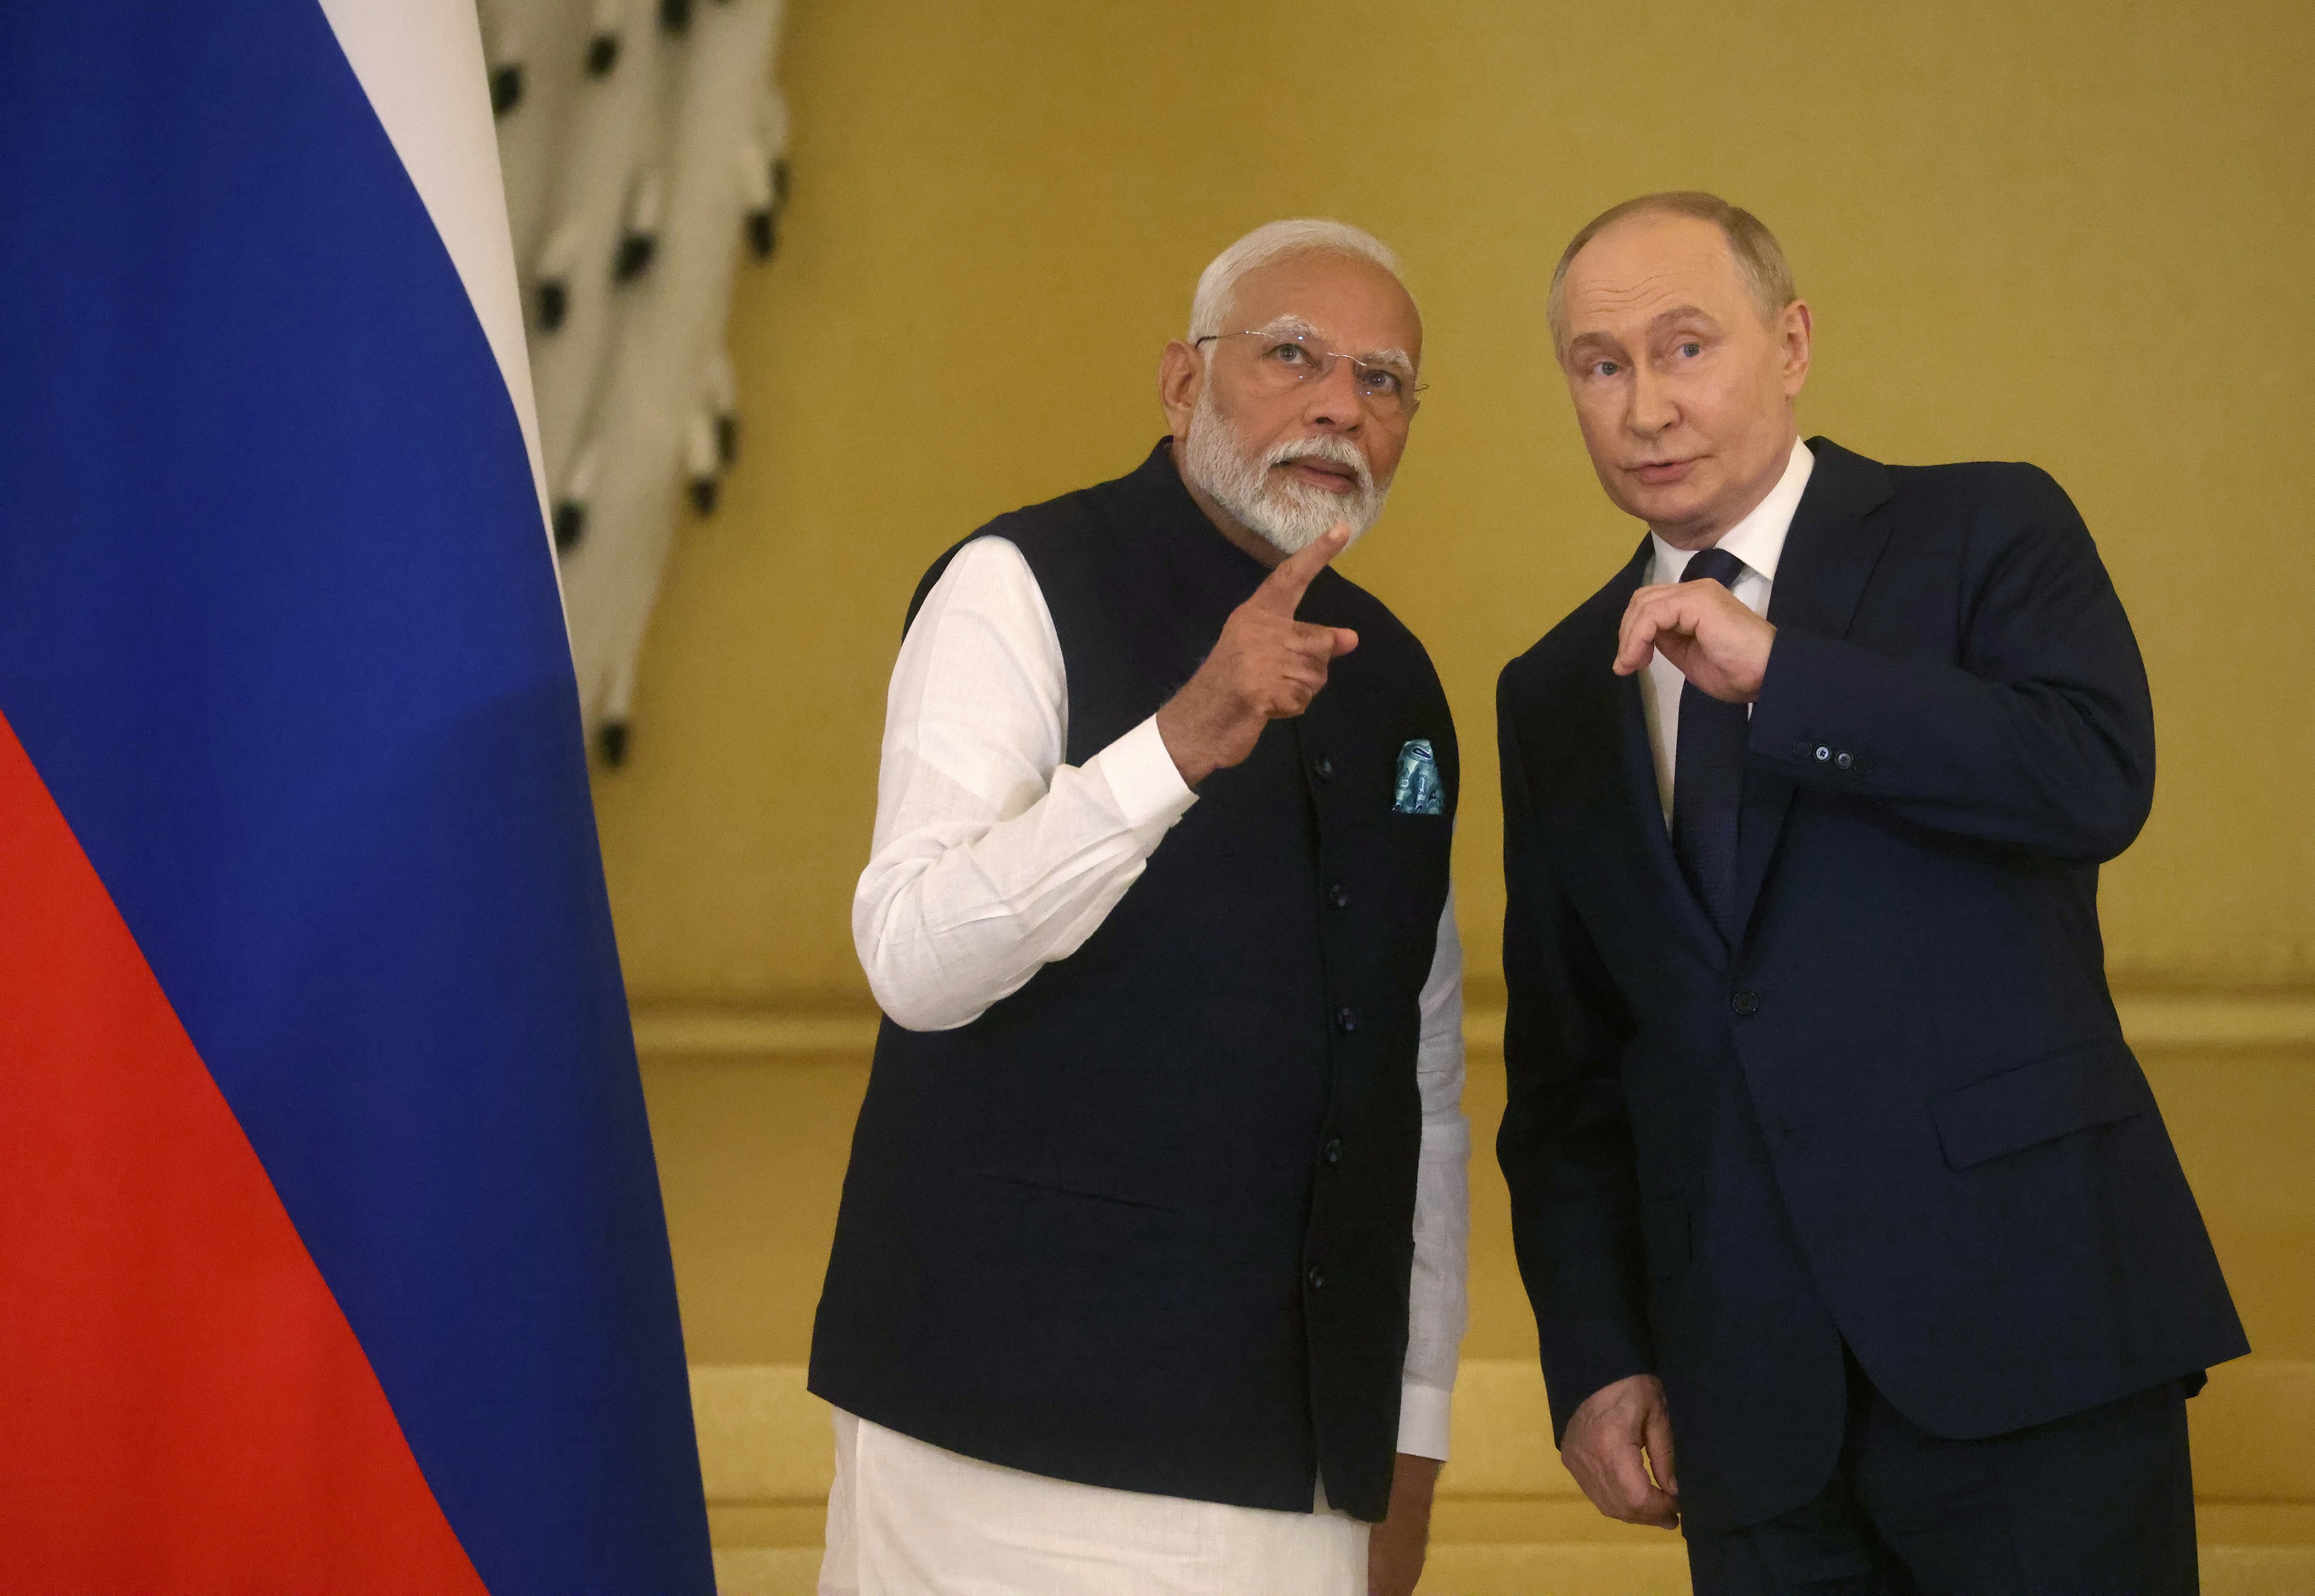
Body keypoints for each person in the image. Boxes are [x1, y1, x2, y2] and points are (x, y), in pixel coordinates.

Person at [1494, 191, 2247, 1594]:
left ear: (1789, 343)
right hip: (1747, 1416)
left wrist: (1784, 672)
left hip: (2036, 1352)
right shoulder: (1550, 690)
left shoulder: (1984, 527)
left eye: (1684, 347)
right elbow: (1568, 1080)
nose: (1645, 405)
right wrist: (1596, 1359)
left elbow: (2093, 777)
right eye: (1600, 367)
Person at [810, 219, 1469, 1596]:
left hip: (1296, 1462)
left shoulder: (1397, 676)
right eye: (1290, 354)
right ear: (1182, 384)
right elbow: (914, 958)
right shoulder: (1017, 583)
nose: (1340, 403)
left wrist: (1407, 1434)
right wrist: (1173, 743)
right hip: (998, 1435)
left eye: (1383, 379)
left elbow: (1415, 1082)